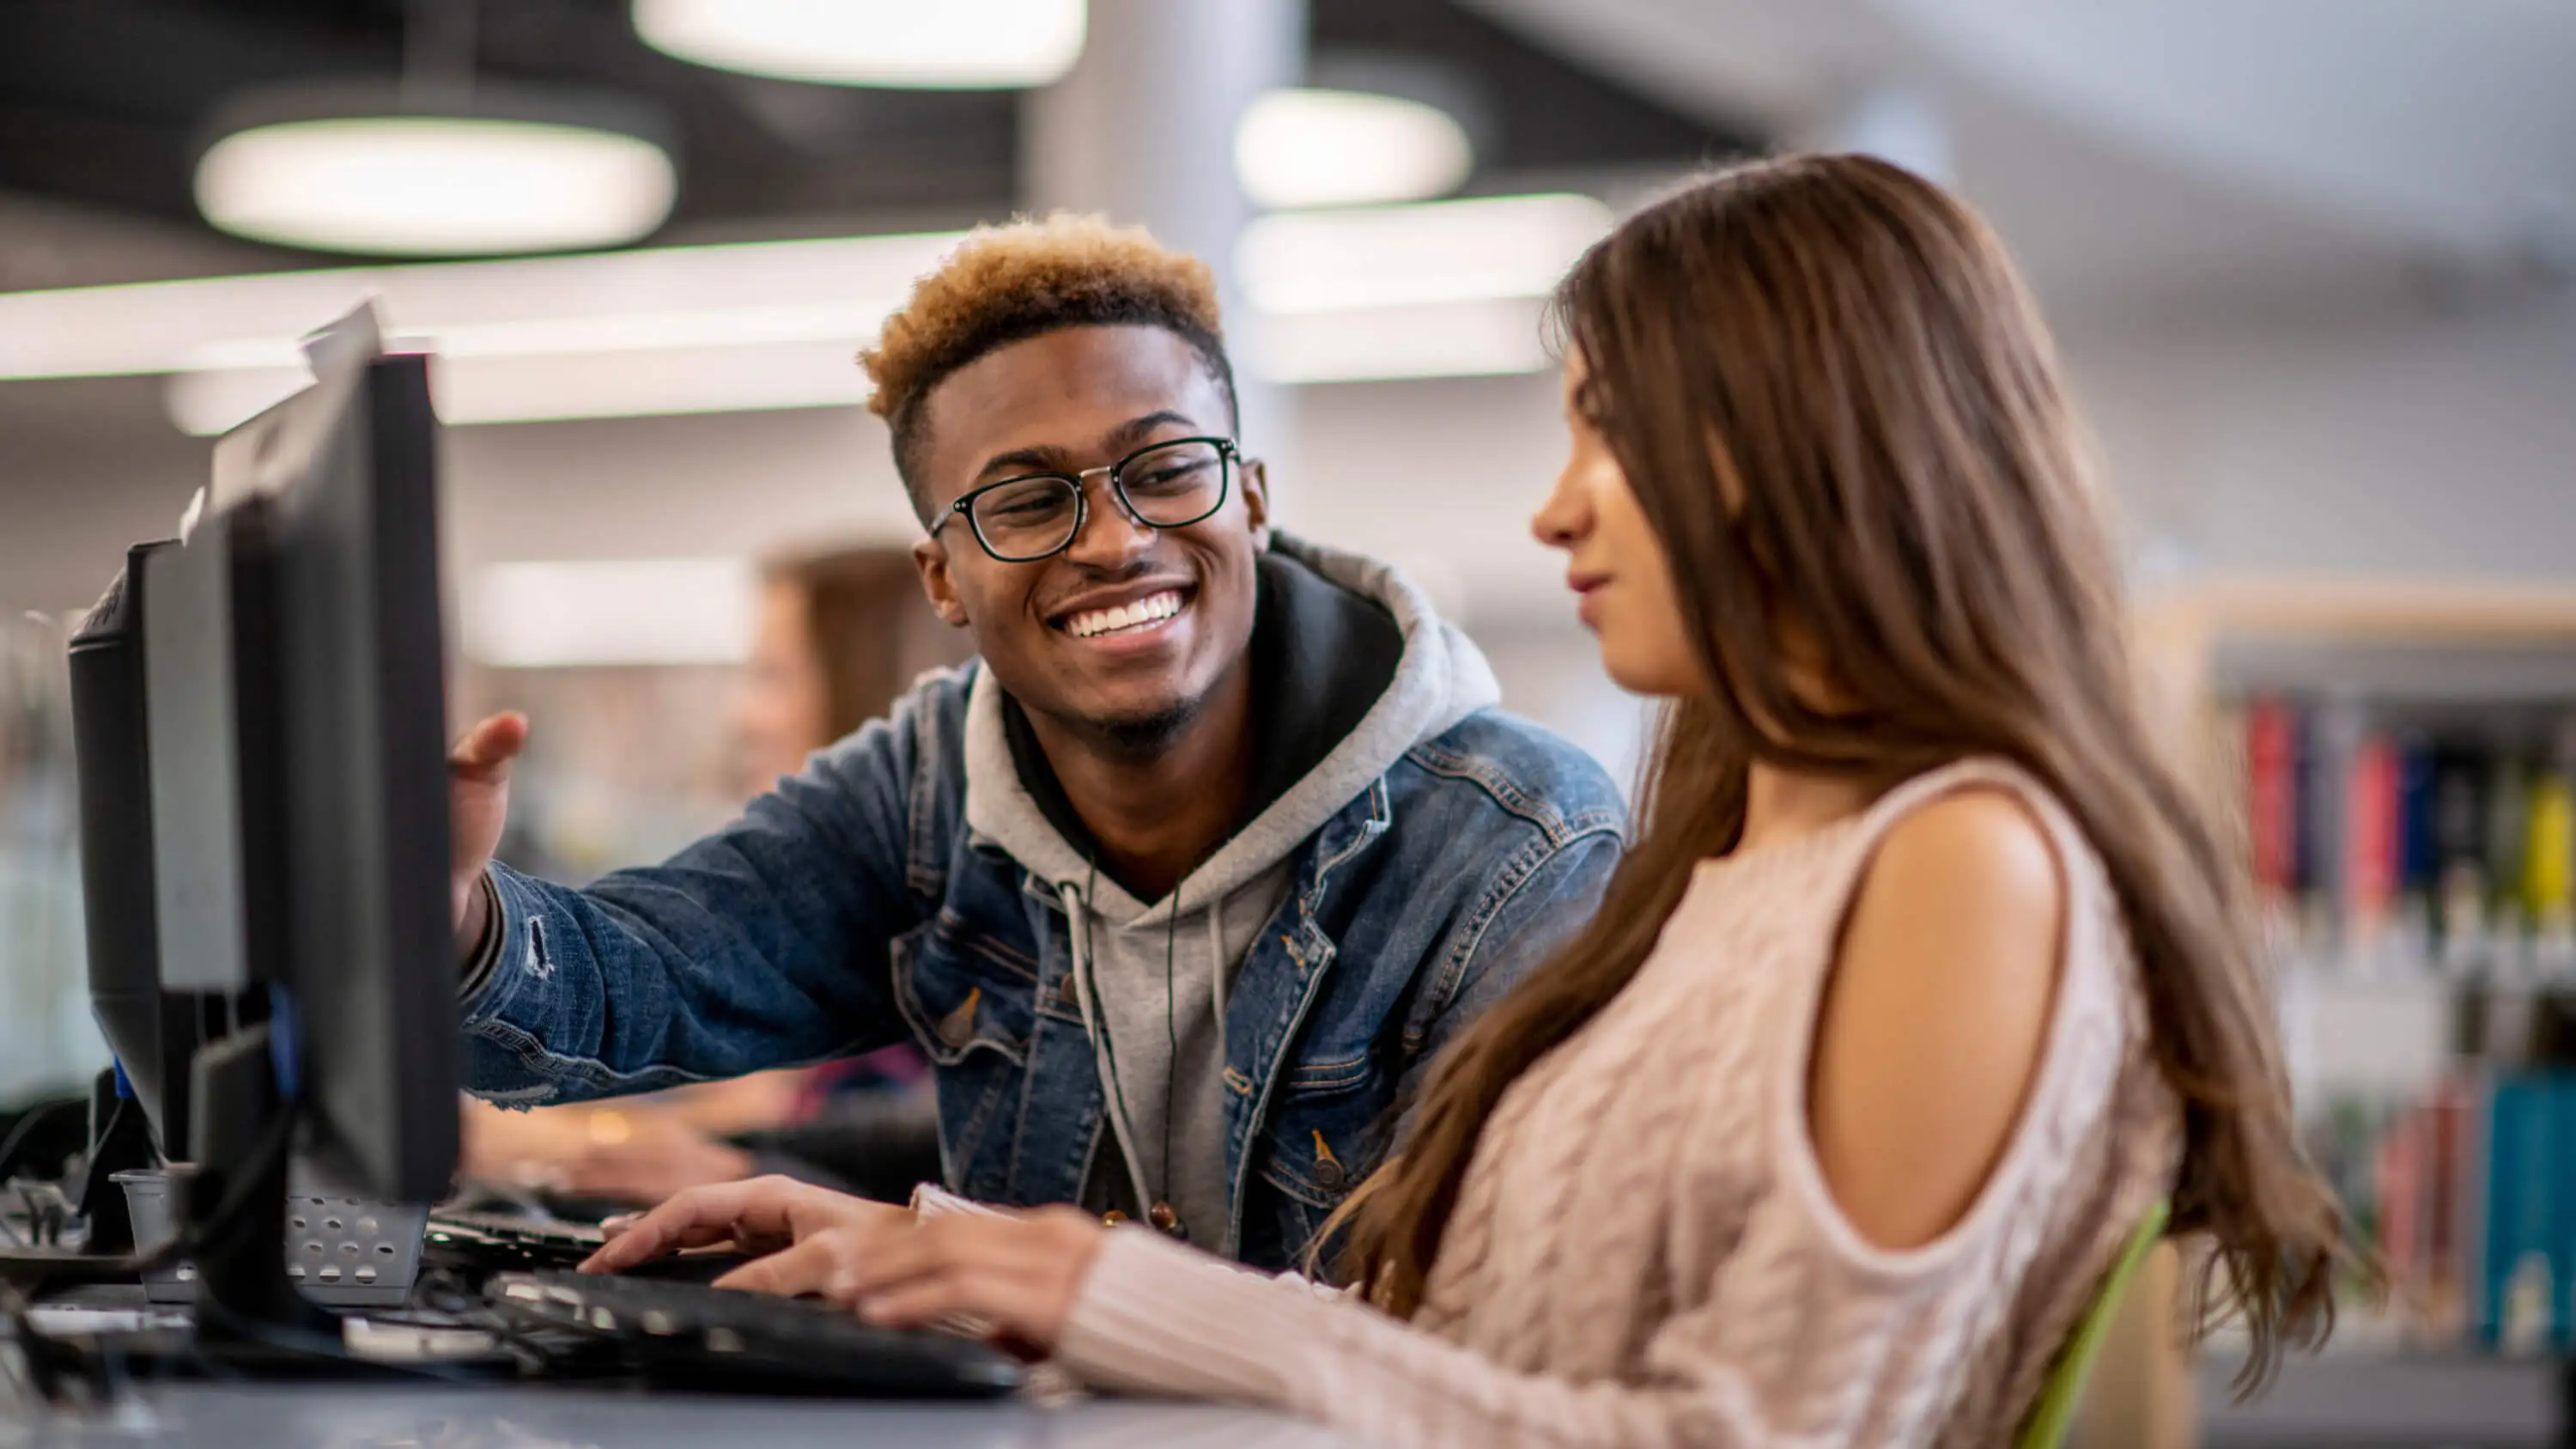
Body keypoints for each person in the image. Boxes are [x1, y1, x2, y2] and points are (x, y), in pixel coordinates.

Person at [588, 155, 2350, 1446]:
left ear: (1799, 447)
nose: (1557, 512)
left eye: (1612, 435)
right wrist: (946, 1256)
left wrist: (1088, 1289)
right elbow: (1470, 1354)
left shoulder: (1965, 867)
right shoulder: (1731, 862)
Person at [446, 216, 1628, 1269]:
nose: (1115, 540)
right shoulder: (930, 786)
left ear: (1252, 499)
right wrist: (455, 909)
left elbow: (1486, 1333)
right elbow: (643, 974)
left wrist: (949, 1251)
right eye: (1025, 500)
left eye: (1166, 470)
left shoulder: (1510, 847)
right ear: (943, 578)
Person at [459, 547, 961, 1208]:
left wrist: (580, 1144)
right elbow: (670, 997)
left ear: (863, 679)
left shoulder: (938, 923)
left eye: (773, 675)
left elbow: (821, 1128)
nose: (742, 717)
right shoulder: (833, 904)